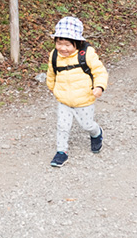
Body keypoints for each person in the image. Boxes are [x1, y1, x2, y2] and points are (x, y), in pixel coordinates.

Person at [45, 16, 109, 168]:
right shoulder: (54, 55)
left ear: (78, 43)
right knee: (62, 126)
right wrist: (53, 88)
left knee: (86, 125)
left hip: (84, 99)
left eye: (67, 44)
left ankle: (96, 133)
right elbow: (51, 73)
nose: (63, 48)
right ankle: (61, 152)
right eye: (59, 43)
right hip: (64, 100)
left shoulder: (86, 55)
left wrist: (99, 87)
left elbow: (100, 72)